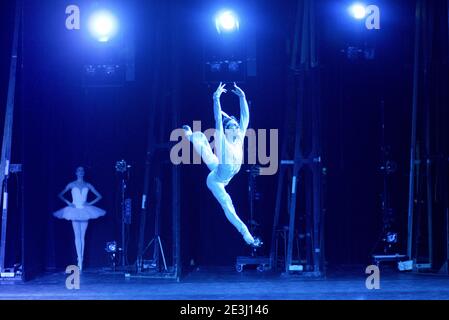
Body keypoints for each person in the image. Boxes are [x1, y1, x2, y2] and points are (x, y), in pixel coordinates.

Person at [183, 82, 261, 247]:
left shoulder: (239, 137)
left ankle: (192, 136)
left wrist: (242, 97)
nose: (237, 128)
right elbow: (218, 118)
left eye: (236, 126)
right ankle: (246, 234)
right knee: (227, 204)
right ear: (227, 131)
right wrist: (216, 98)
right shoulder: (222, 140)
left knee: (210, 157)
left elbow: (245, 117)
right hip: (217, 180)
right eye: (233, 126)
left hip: (226, 171)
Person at [53, 166, 106, 271]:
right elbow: (60, 194)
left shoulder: (88, 185)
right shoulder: (71, 184)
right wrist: (69, 203)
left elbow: (99, 196)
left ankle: (80, 260)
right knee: (77, 235)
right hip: (74, 210)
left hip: (85, 210)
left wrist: (89, 203)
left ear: (84, 173)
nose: (81, 172)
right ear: (76, 172)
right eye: (79, 170)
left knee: (82, 236)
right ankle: (80, 260)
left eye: (82, 170)